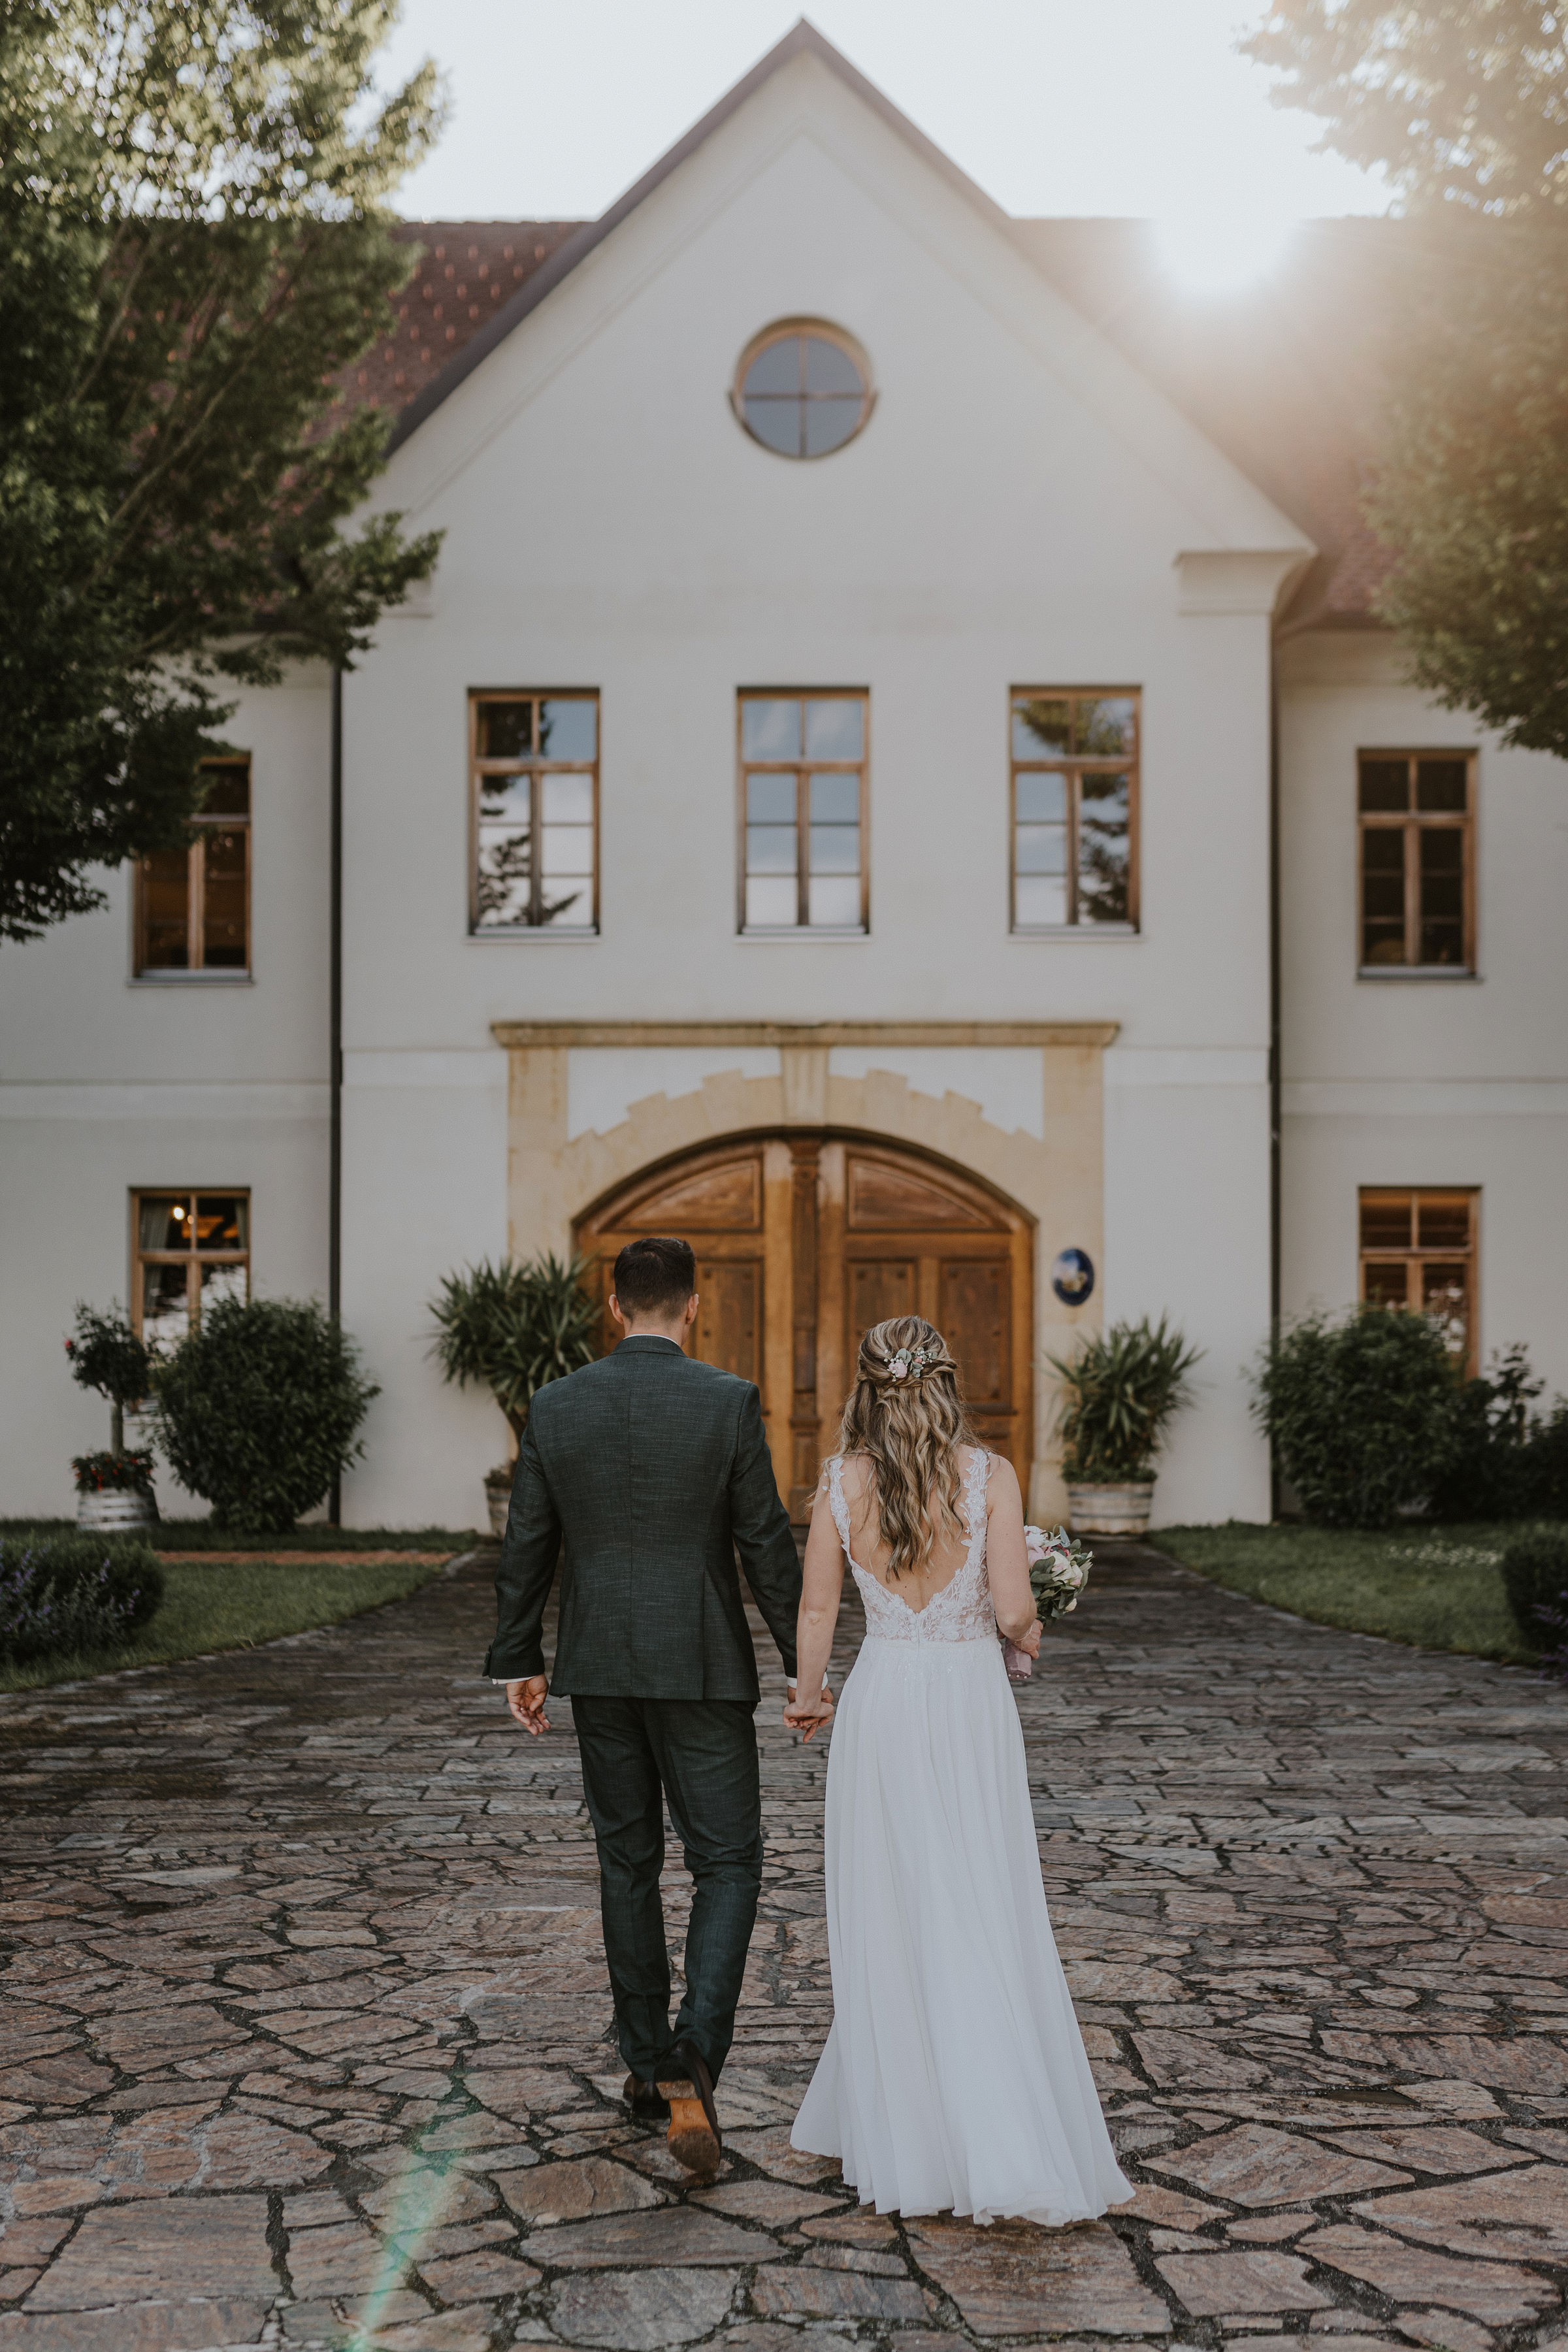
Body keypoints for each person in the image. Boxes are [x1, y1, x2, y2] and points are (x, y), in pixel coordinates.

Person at [785, 1315, 1133, 2225]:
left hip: (884, 1701)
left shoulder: (839, 1482)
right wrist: (1032, 1627)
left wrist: (808, 1696)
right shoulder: (991, 1476)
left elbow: (816, 1610)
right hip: (968, 1700)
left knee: (895, 1904)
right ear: (946, 1384)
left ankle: (911, 2127)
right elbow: (1012, 1609)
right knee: (976, 1893)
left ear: (867, 1390)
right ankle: (993, 2120)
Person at [485, 1233, 803, 2174]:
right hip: (701, 1667)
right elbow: (765, 1543)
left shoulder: (557, 1404)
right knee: (727, 1862)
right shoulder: (728, 1401)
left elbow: (527, 1540)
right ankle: (692, 2058)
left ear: (615, 1307)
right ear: (692, 1306)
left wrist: (520, 1659)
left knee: (626, 1861)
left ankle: (645, 2061)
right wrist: (807, 1666)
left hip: (599, 1665)